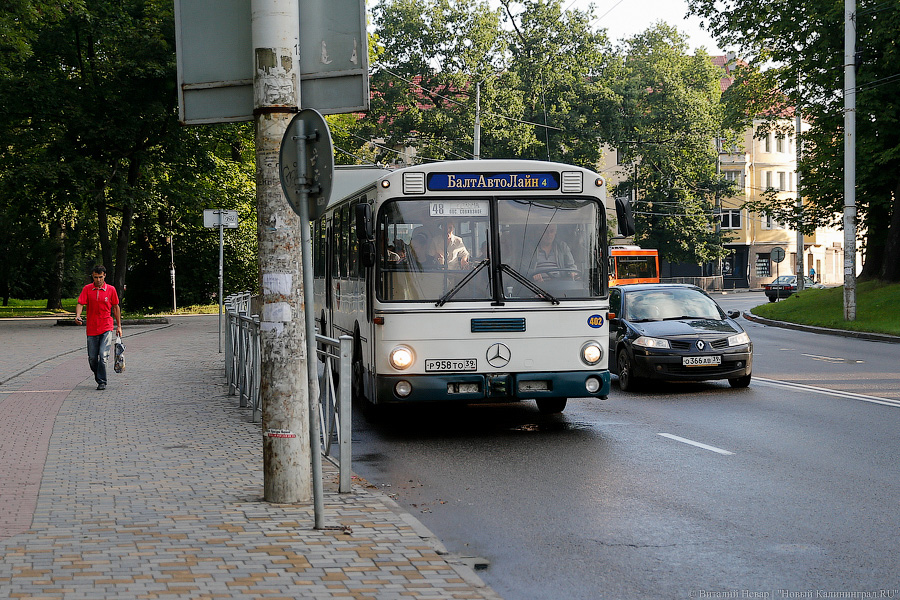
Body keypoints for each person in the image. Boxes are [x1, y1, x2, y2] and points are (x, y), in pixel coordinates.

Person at [74, 266, 123, 391]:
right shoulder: (87, 289)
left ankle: (102, 381)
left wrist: (119, 326)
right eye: (95, 277)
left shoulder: (111, 290)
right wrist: (78, 316)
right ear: (92, 276)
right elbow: (80, 303)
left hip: (106, 327)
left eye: (100, 277)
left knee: (103, 355)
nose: (98, 280)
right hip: (91, 328)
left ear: (104, 276)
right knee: (92, 358)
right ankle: (98, 374)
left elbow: (116, 308)